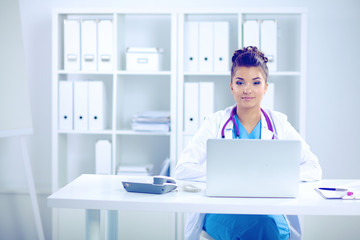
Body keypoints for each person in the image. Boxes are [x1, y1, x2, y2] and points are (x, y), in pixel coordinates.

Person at [175, 46, 322, 240]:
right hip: (222, 209)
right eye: (240, 82)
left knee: (267, 225)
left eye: (256, 82)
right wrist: (226, 177)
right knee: (261, 228)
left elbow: (313, 167)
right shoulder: (215, 122)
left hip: (270, 210)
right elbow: (183, 168)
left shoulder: (279, 123)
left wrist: (277, 177)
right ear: (231, 86)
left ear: (266, 87)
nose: (247, 89)